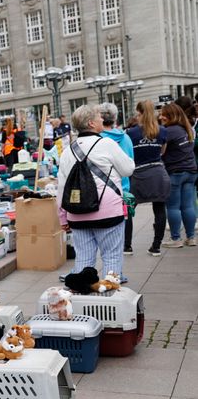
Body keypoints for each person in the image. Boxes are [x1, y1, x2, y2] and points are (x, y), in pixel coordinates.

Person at [57, 104, 136, 278]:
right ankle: (109, 295)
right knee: (112, 256)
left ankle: (81, 296)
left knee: (83, 259)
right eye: (99, 116)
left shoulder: (68, 150)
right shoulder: (107, 144)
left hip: (76, 213)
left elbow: (62, 187)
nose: (102, 119)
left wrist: (62, 216)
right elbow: (128, 170)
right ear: (92, 123)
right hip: (107, 211)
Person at [126, 100, 170, 256]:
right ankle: (156, 246)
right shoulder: (163, 131)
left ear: (142, 114)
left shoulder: (131, 133)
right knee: (159, 209)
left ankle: (127, 246)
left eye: (138, 114)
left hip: (139, 174)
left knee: (129, 209)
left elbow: (128, 154)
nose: (136, 117)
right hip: (158, 172)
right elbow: (162, 152)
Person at [158, 102, 198, 247]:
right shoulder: (187, 129)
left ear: (171, 115)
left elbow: (160, 151)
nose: (161, 117)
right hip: (191, 171)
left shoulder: (168, 131)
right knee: (188, 206)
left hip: (175, 172)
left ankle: (176, 239)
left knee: (173, 207)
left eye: (164, 114)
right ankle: (191, 237)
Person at [100, 103, 135, 255]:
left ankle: (109, 246)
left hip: (103, 185)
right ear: (115, 118)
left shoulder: (98, 138)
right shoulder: (125, 137)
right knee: (125, 212)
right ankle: (127, 245)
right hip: (124, 183)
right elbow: (131, 160)